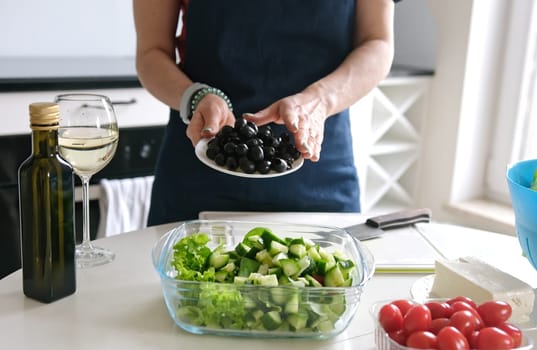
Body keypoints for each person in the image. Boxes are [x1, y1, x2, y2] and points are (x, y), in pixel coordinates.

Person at [133, 0, 400, 226]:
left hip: (320, 170)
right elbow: (151, 52)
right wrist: (195, 97)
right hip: (199, 165)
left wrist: (319, 101)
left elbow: (377, 42)